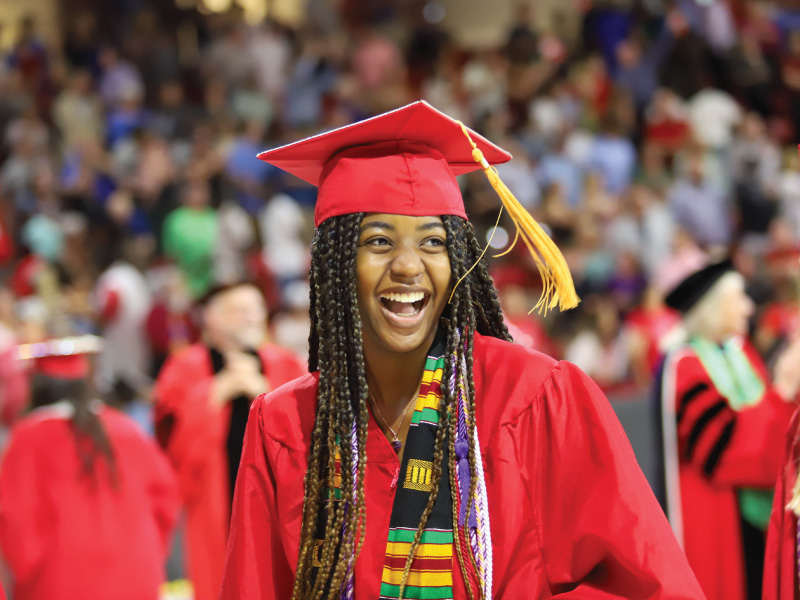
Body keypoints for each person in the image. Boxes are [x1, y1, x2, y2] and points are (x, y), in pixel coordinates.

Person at [220, 101, 703, 599]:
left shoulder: (534, 398)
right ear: (337, 266)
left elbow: (648, 581)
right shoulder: (286, 426)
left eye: (433, 243)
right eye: (379, 242)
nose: (409, 265)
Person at [656, 260, 800, 600]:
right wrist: (781, 388)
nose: (749, 307)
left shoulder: (740, 353)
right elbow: (722, 452)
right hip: (717, 520)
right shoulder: (685, 365)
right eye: (739, 297)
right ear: (712, 307)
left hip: (753, 515)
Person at [153, 282, 305, 600]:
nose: (252, 318)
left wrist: (265, 392)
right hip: (214, 501)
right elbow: (174, 448)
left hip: (276, 499)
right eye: (241, 310)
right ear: (214, 319)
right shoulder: (186, 366)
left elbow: (306, 430)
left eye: (257, 309)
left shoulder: (284, 363)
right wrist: (216, 391)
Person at [0, 337, 178, 600]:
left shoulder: (28, 437)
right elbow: (166, 498)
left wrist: (26, 571)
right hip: (136, 572)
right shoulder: (126, 427)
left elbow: (16, 517)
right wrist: (150, 548)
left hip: (61, 578)